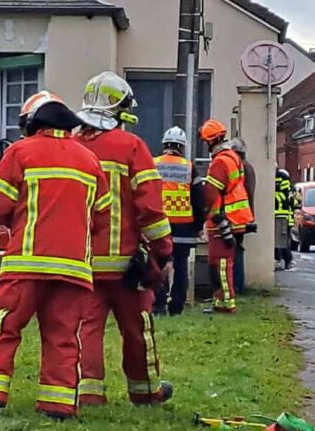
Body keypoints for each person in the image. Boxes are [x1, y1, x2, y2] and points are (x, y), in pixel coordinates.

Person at [0, 91, 111, 420]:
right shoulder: (90, 161)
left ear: (31, 123)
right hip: (73, 269)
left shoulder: (21, 152)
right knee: (63, 337)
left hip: (26, 264)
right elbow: (102, 217)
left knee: (4, 329)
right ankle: (58, 405)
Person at [75, 71, 174, 406]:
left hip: (82, 262)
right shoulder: (132, 147)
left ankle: (88, 393)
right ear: (119, 109)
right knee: (137, 329)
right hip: (127, 264)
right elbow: (150, 209)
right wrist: (162, 252)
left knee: (86, 329)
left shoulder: (72, 147)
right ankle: (145, 391)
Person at [200, 119, 254, 313]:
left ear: (211, 141)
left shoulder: (220, 162)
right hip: (234, 218)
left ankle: (226, 302)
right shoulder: (232, 157)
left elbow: (211, 193)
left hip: (223, 219)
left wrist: (202, 212)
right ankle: (220, 301)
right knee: (222, 262)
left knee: (221, 263)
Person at [152, 127, 205, 315]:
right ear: (182, 147)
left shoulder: (153, 164)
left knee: (159, 264)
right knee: (181, 266)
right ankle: (177, 306)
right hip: (184, 227)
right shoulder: (189, 167)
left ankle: (158, 304)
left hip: (159, 225)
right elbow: (198, 200)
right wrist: (199, 226)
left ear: (164, 145)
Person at [230, 138, 255, 294]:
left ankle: (237, 286)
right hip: (243, 216)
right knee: (237, 249)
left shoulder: (240, 167)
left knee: (234, 251)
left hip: (236, 217)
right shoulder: (248, 167)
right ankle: (238, 286)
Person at [275, 167, 294, 269]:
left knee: (281, 241)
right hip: (277, 214)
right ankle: (282, 260)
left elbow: (285, 196)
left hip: (281, 214)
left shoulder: (282, 177)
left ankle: (286, 260)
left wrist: (273, 197)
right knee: (278, 240)